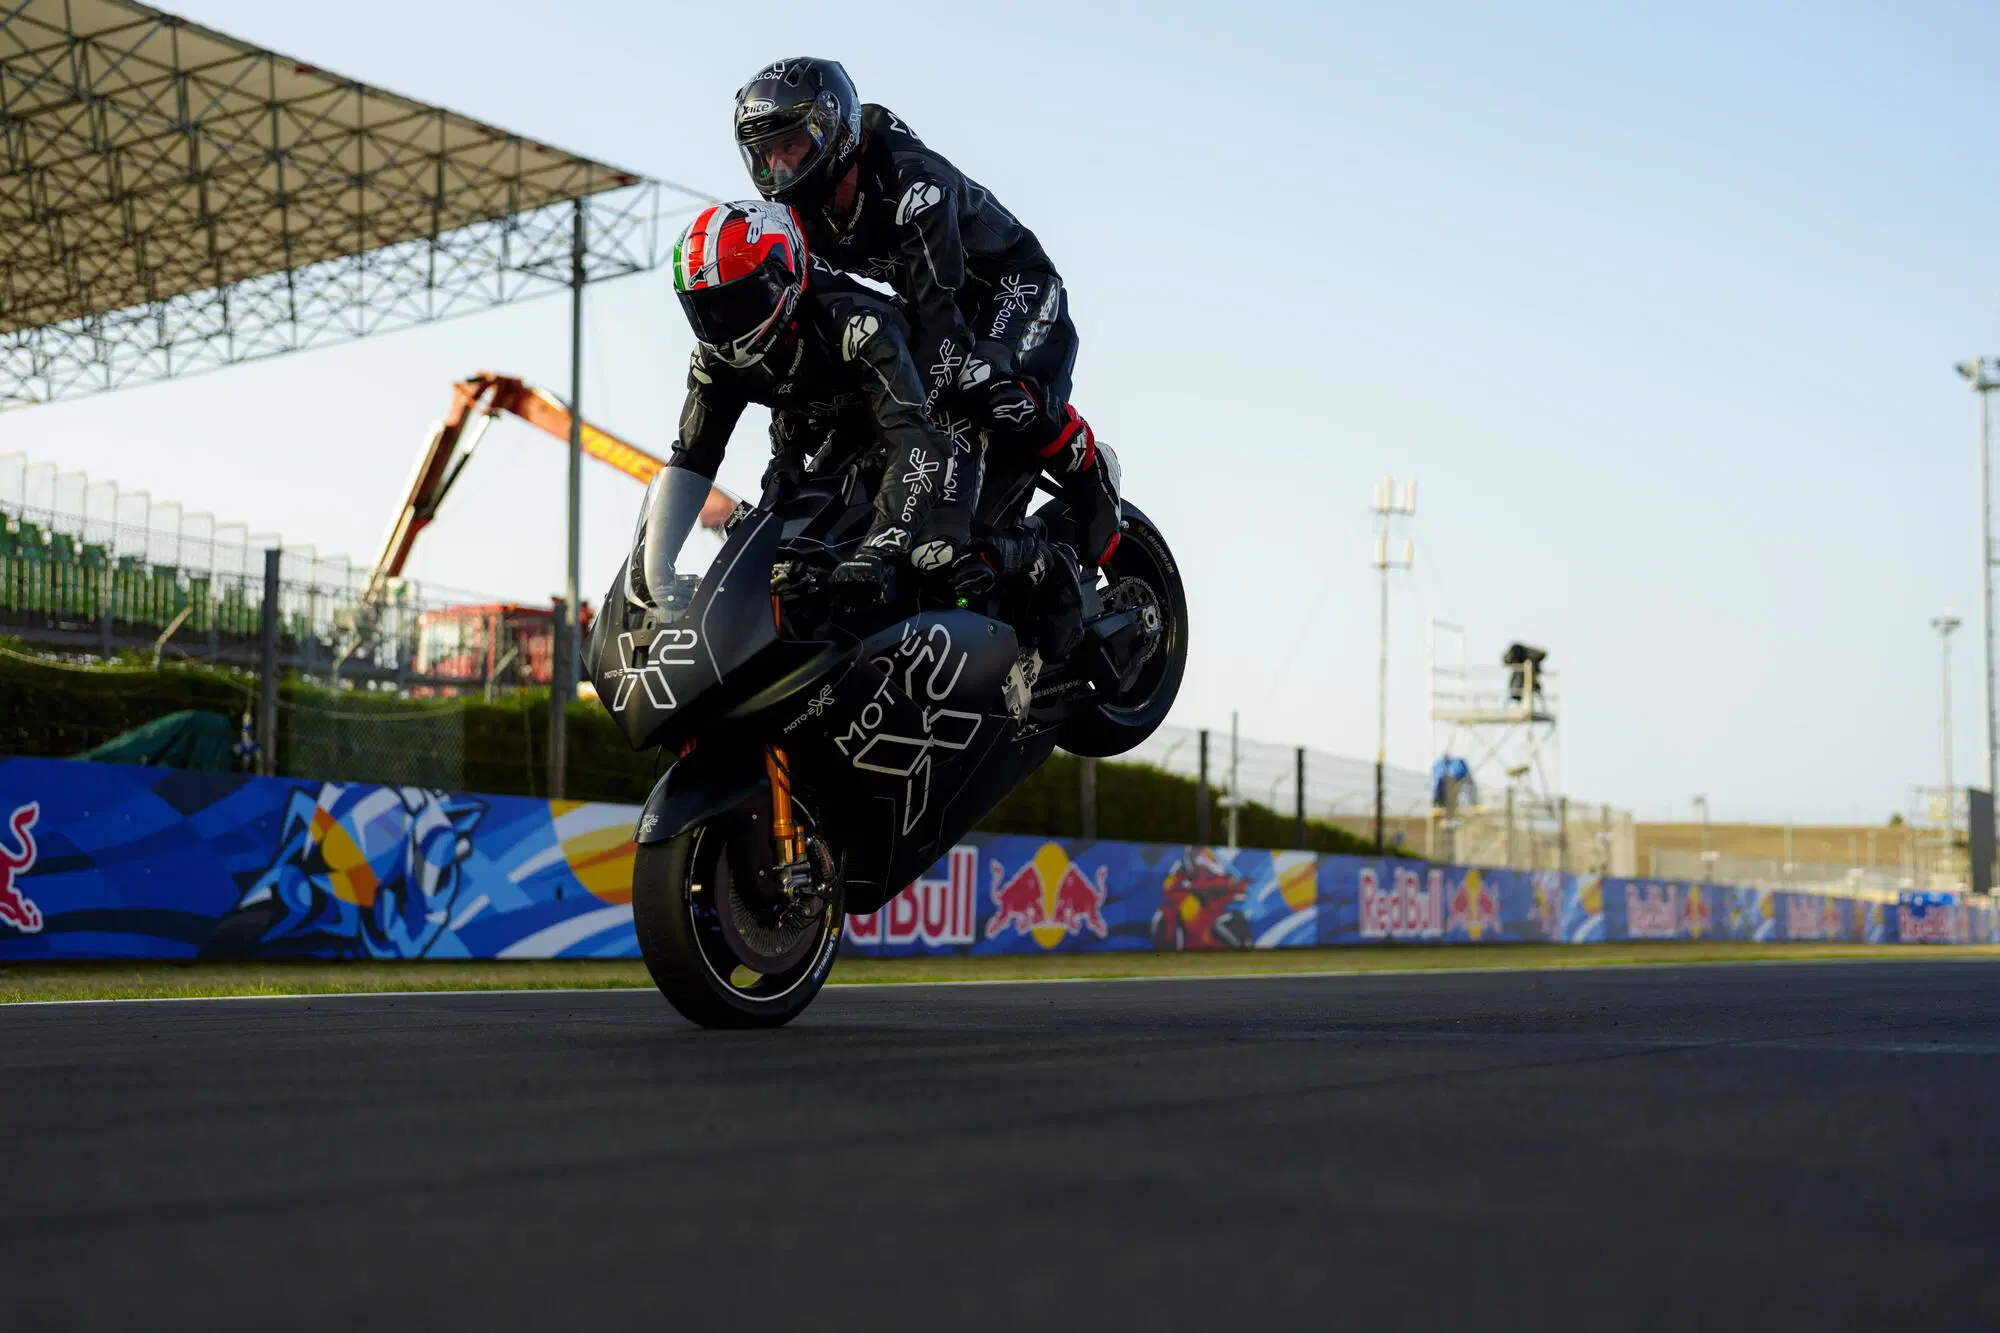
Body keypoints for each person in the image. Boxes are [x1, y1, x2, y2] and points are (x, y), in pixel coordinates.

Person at [729, 57, 1124, 581]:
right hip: (931, 299)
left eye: (792, 146)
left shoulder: (915, 186)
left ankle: (1083, 459)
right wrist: (787, 457)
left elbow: (943, 323)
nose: (779, 169)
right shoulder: (792, 220)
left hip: (1011, 288)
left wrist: (901, 426)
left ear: (833, 129)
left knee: (970, 378)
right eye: (766, 155)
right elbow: (809, 331)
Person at [638, 200, 1081, 647]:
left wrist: (880, 546)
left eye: (738, 301)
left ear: (784, 274)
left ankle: (1041, 560)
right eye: (706, 309)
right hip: (852, 434)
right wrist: (652, 572)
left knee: (938, 554)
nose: (723, 324)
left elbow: (914, 438)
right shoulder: (715, 360)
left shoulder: (855, 323)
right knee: (793, 555)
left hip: (933, 415)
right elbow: (692, 457)